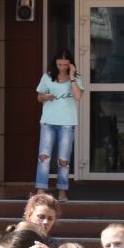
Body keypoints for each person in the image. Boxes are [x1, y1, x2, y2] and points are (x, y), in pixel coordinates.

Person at [34, 54, 83, 197]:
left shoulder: (76, 78)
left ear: (71, 64)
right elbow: (39, 97)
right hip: (48, 121)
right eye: (59, 64)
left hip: (67, 122)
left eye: (65, 65)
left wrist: (72, 76)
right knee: (43, 157)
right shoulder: (47, 77)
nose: (62, 67)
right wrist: (45, 97)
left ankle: (62, 190)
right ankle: (41, 189)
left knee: (64, 158)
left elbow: (78, 96)